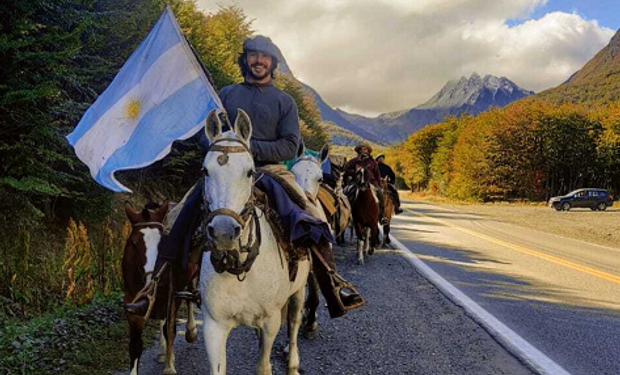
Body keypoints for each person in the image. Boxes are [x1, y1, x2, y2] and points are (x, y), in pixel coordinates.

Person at [125, 35, 363, 319]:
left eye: (265, 57)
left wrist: (250, 148)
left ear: (272, 64)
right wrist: (220, 147)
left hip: (271, 171)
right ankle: (156, 290)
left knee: (311, 214)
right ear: (245, 60)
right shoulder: (225, 95)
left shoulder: (284, 101)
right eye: (253, 55)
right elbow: (205, 133)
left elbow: (289, 144)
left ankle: (334, 284)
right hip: (227, 171)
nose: (259, 61)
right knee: (178, 216)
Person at [344, 142, 388, 223]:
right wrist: (356, 172)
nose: (364, 150)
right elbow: (346, 171)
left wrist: (379, 185)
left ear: (368, 151)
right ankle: (347, 215)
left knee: (381, 195)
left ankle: (382, 216)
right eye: (362, 149)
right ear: (359, 151)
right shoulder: (353, 161)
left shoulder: (373, 162)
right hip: (356, 182)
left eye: (365, 149)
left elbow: (377, 174)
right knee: (347, 194)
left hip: (371, 183)